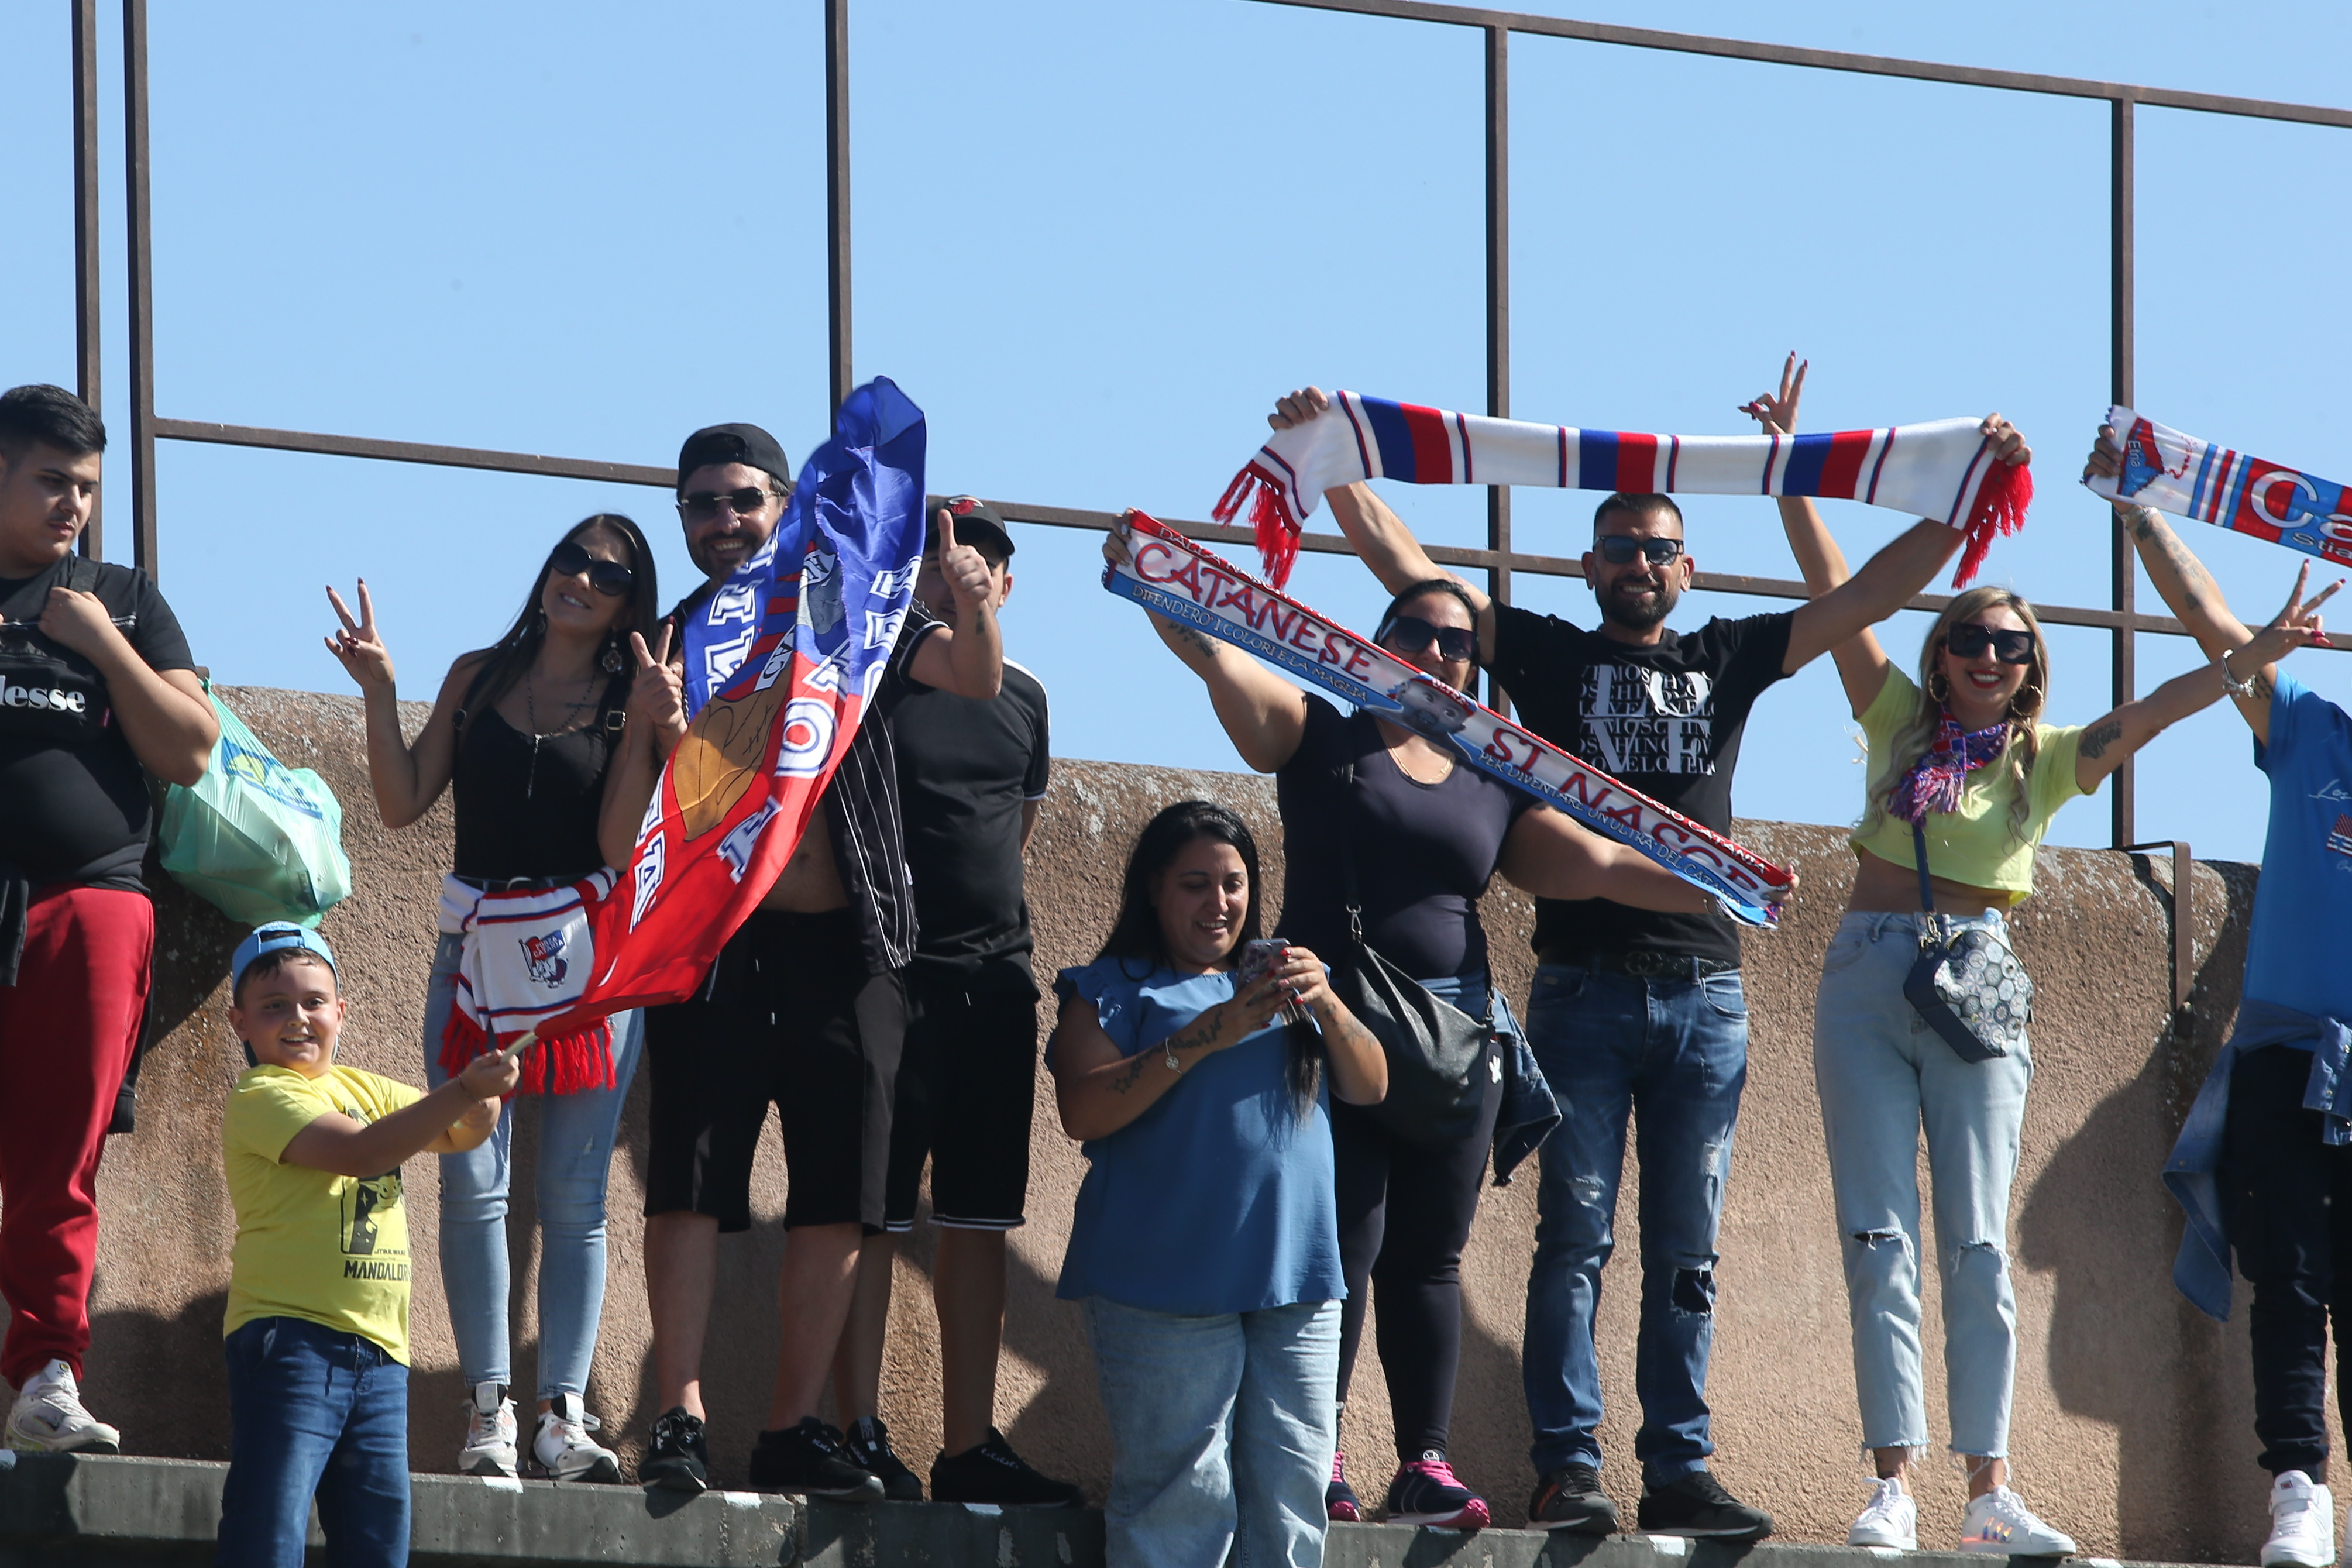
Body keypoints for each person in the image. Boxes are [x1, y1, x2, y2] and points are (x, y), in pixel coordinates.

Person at [1266, 381, 2026, 1536]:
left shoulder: (1732, 656)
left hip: (1708, 990)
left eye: (1661, 548)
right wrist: (1323, 452)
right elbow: (1403, 565)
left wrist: (1971, 506)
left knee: (1688, 1249)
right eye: (1620, 545)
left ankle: (1678, 1464)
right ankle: (1567, 1465)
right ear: (1589, 564)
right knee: (1575, 1239)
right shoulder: (1544, 656)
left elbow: (1871, 590)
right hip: (1578, 985)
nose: (1641, 560)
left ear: (1687, 568)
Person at [1755, 376, 2325, 1556]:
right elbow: (1835, 587)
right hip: (1868, 974)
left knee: (1973, 1240)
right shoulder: (1895, 717)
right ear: (1943, 648)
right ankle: (1894, 1483)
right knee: (1877, 1234)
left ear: (2030, 666)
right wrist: (1792, 465)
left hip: (1979, 985)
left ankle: (1989, 1488)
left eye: (2008, 644)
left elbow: (2162, 707)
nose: (1984, 654)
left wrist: (2255, 655)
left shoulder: (2048, 761)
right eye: (1967, 635)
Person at [1105, 523, 1749, 1529]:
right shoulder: (1323, 737)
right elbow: (1224, 662)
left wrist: (1728, 883)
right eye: (1417, 634)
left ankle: (1426, 1463)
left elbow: (1606, 865)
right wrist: (1164, 587)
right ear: (1376, 644)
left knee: (1429, 1258)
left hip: (1455, 1043)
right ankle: (1319, 1453)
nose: (1442, 653)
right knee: (1340, 1243)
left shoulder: (1496, 780)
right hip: (1327, 1025)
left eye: (1459, 643)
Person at [617, 423, 1004, 1498]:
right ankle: (680, 1416)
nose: (724, 521)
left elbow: (973, 678)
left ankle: (795, 1429)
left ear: (786, 506)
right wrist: (657, 730)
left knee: (842, 1192)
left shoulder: (853, 603)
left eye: (744, 499)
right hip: (716, 946)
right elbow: (641, 824)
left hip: (856, 944)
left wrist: (970, 593)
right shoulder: (673, 636)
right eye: (702, 505)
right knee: (690, 1181)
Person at [320, 513, 662, 1483]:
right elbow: (400, 800)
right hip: (471, 956)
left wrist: (642, 729)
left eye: (609, 574)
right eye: (572, 558)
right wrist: (382, 692)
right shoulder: (479, 675)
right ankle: (488, 1415)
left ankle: (563, 1415)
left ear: (628, 603)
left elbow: (614, 847)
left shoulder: (620, 701)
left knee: (574, 1196)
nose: (583, 580)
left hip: (587, 970)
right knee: (472, 1183)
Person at [2088, 425, 2351, 1568]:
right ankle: (2300, 1483)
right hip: (2294, 1057)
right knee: (2287, 1281)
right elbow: (2213, 630)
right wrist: (2143, 513)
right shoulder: (2312, 736)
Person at [1048, 800, 1387, 1568]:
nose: (1219, 903)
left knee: (1292, 1504)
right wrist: (1216, 1030)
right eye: (1195, 884)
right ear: (1153, 891)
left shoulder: (1285, 982)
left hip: (1295, 1285)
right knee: (1180, 1504)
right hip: (1160, 1285)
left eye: (1233, 883)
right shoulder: (1109, 987)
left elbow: (1371, 1085)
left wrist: (1327, 1003)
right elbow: (1084, 1109)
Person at [829, 496, 1082, 1505]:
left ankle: (969, 1447)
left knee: (978, 1221)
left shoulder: (1027, 693)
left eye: (976, 563)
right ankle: (857, 1432)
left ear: (1007, 584)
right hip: (888, 977)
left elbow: (1011, 838)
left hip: (995, 986)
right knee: (874, 1219)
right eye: (937, 561)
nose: (956, 575)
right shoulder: (877, 671)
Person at [0, 384, 217, 1455]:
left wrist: (101, 644)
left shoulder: (124, 598)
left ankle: (47, 1371)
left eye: (86, 488)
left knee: (59, 1153)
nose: (72, 505)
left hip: (89, 903)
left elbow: (187, 748)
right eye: (50, 480)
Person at [214, 923, 522, 1567]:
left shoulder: (368, 1088)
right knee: (267, 1533)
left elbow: (462, 1129)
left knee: (378, 1543)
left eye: (313, 1002)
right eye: (274, 1006)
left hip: (381, 1356)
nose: (297, 1018)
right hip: (291, 1342)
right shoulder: (261, 1094)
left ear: (341, 1012)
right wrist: (464, 1090)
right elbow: (360, 1152)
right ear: (241, 1022)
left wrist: (485, 1095)